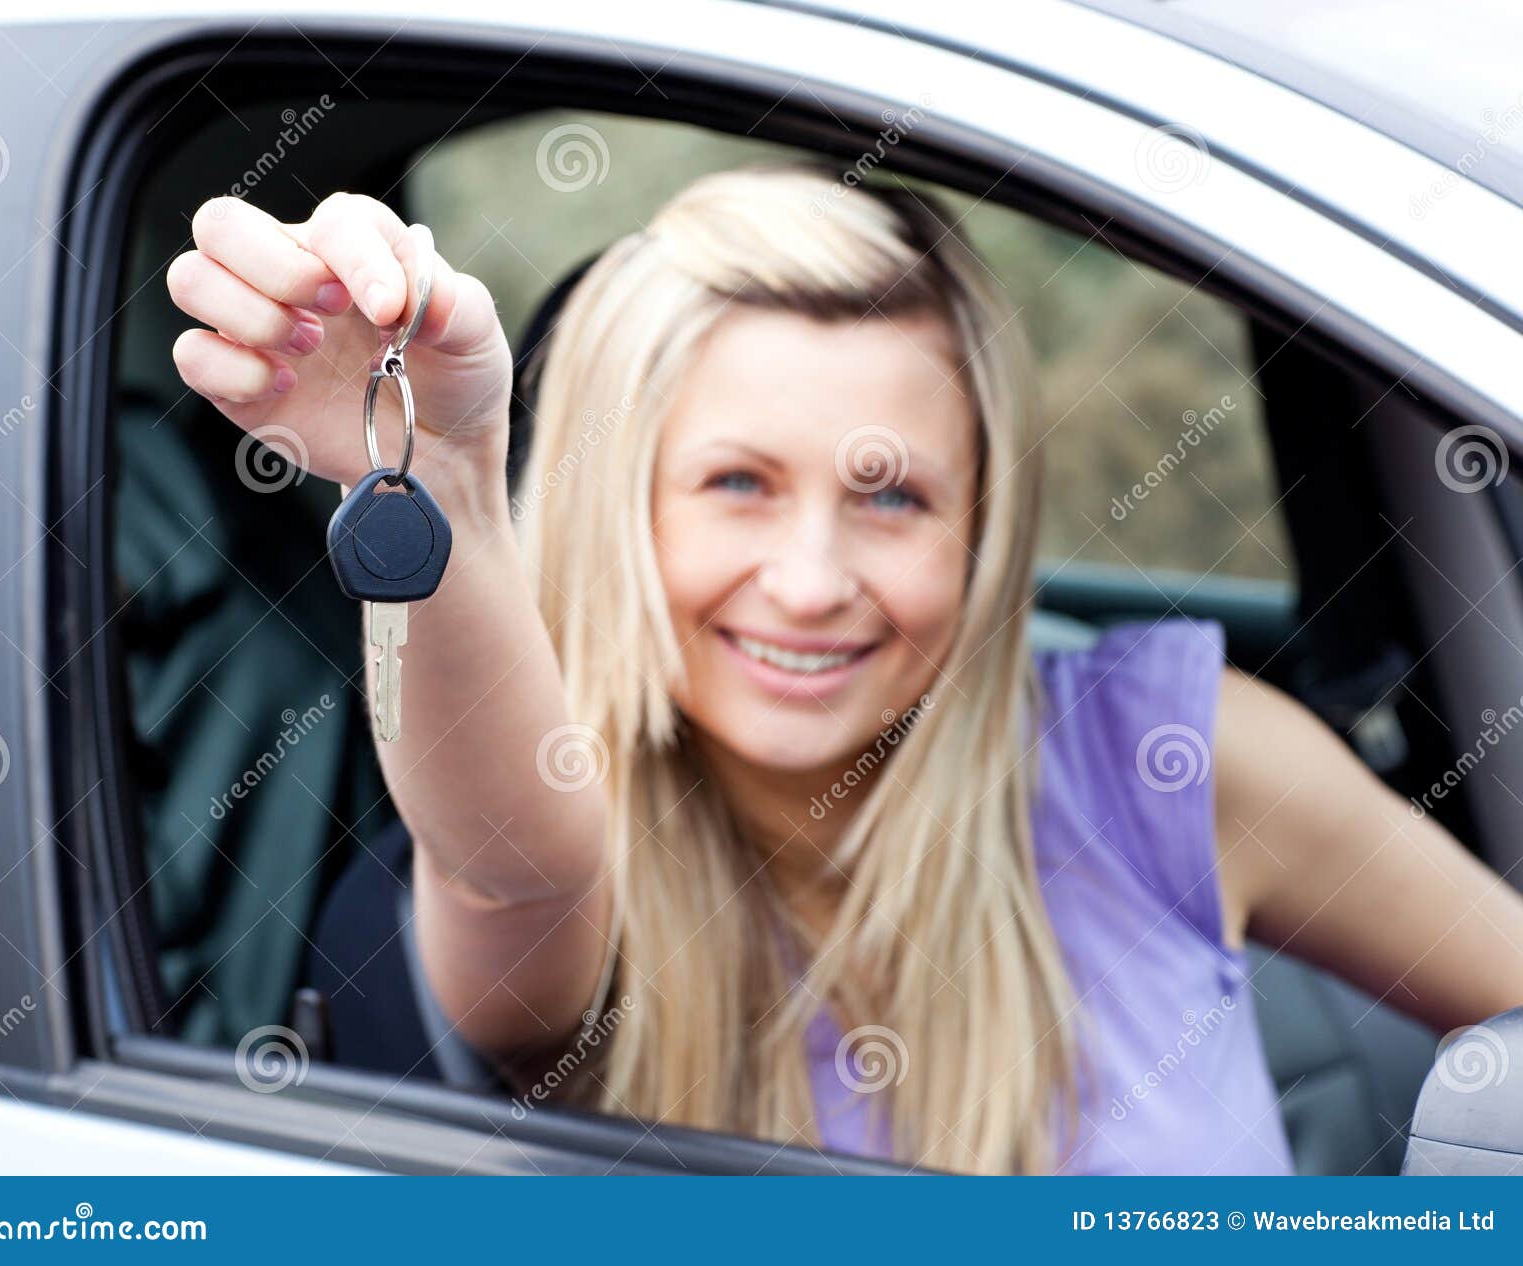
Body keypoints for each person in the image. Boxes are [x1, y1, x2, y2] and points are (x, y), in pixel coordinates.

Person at [166, 164, 1523, 1174]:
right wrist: (445, 488)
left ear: (983, 530)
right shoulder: (567, 839)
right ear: (621, 509)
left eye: (891, 499)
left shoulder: (1173, 758)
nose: (812, 580)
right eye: (737, 484)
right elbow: (504, 862)